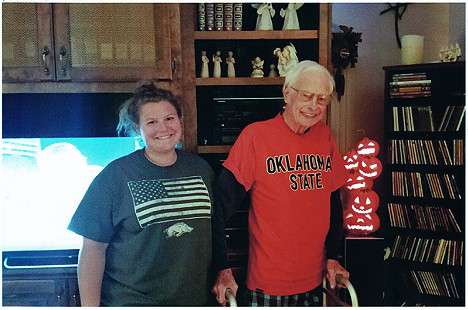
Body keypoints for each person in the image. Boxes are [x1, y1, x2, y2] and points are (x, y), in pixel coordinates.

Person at [212, 60, 350, 306]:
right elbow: (218, 207)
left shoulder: (325, 136)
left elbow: (333, 201)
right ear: (287, 93)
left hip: (315, 282)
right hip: (268, 287)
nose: (313, 106)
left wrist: (332, 255)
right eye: (307, 96)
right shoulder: (255, 137)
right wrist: (222, 268)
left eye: (322, 99)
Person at [68, 82, 215, 306]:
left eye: (169, 118)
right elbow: (93, 249)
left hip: (193, 301)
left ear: (179, 120)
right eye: (152, 122)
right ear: (138, 129)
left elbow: (216, 230)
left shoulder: (201, 170)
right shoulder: (116, 176)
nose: (163, 128)